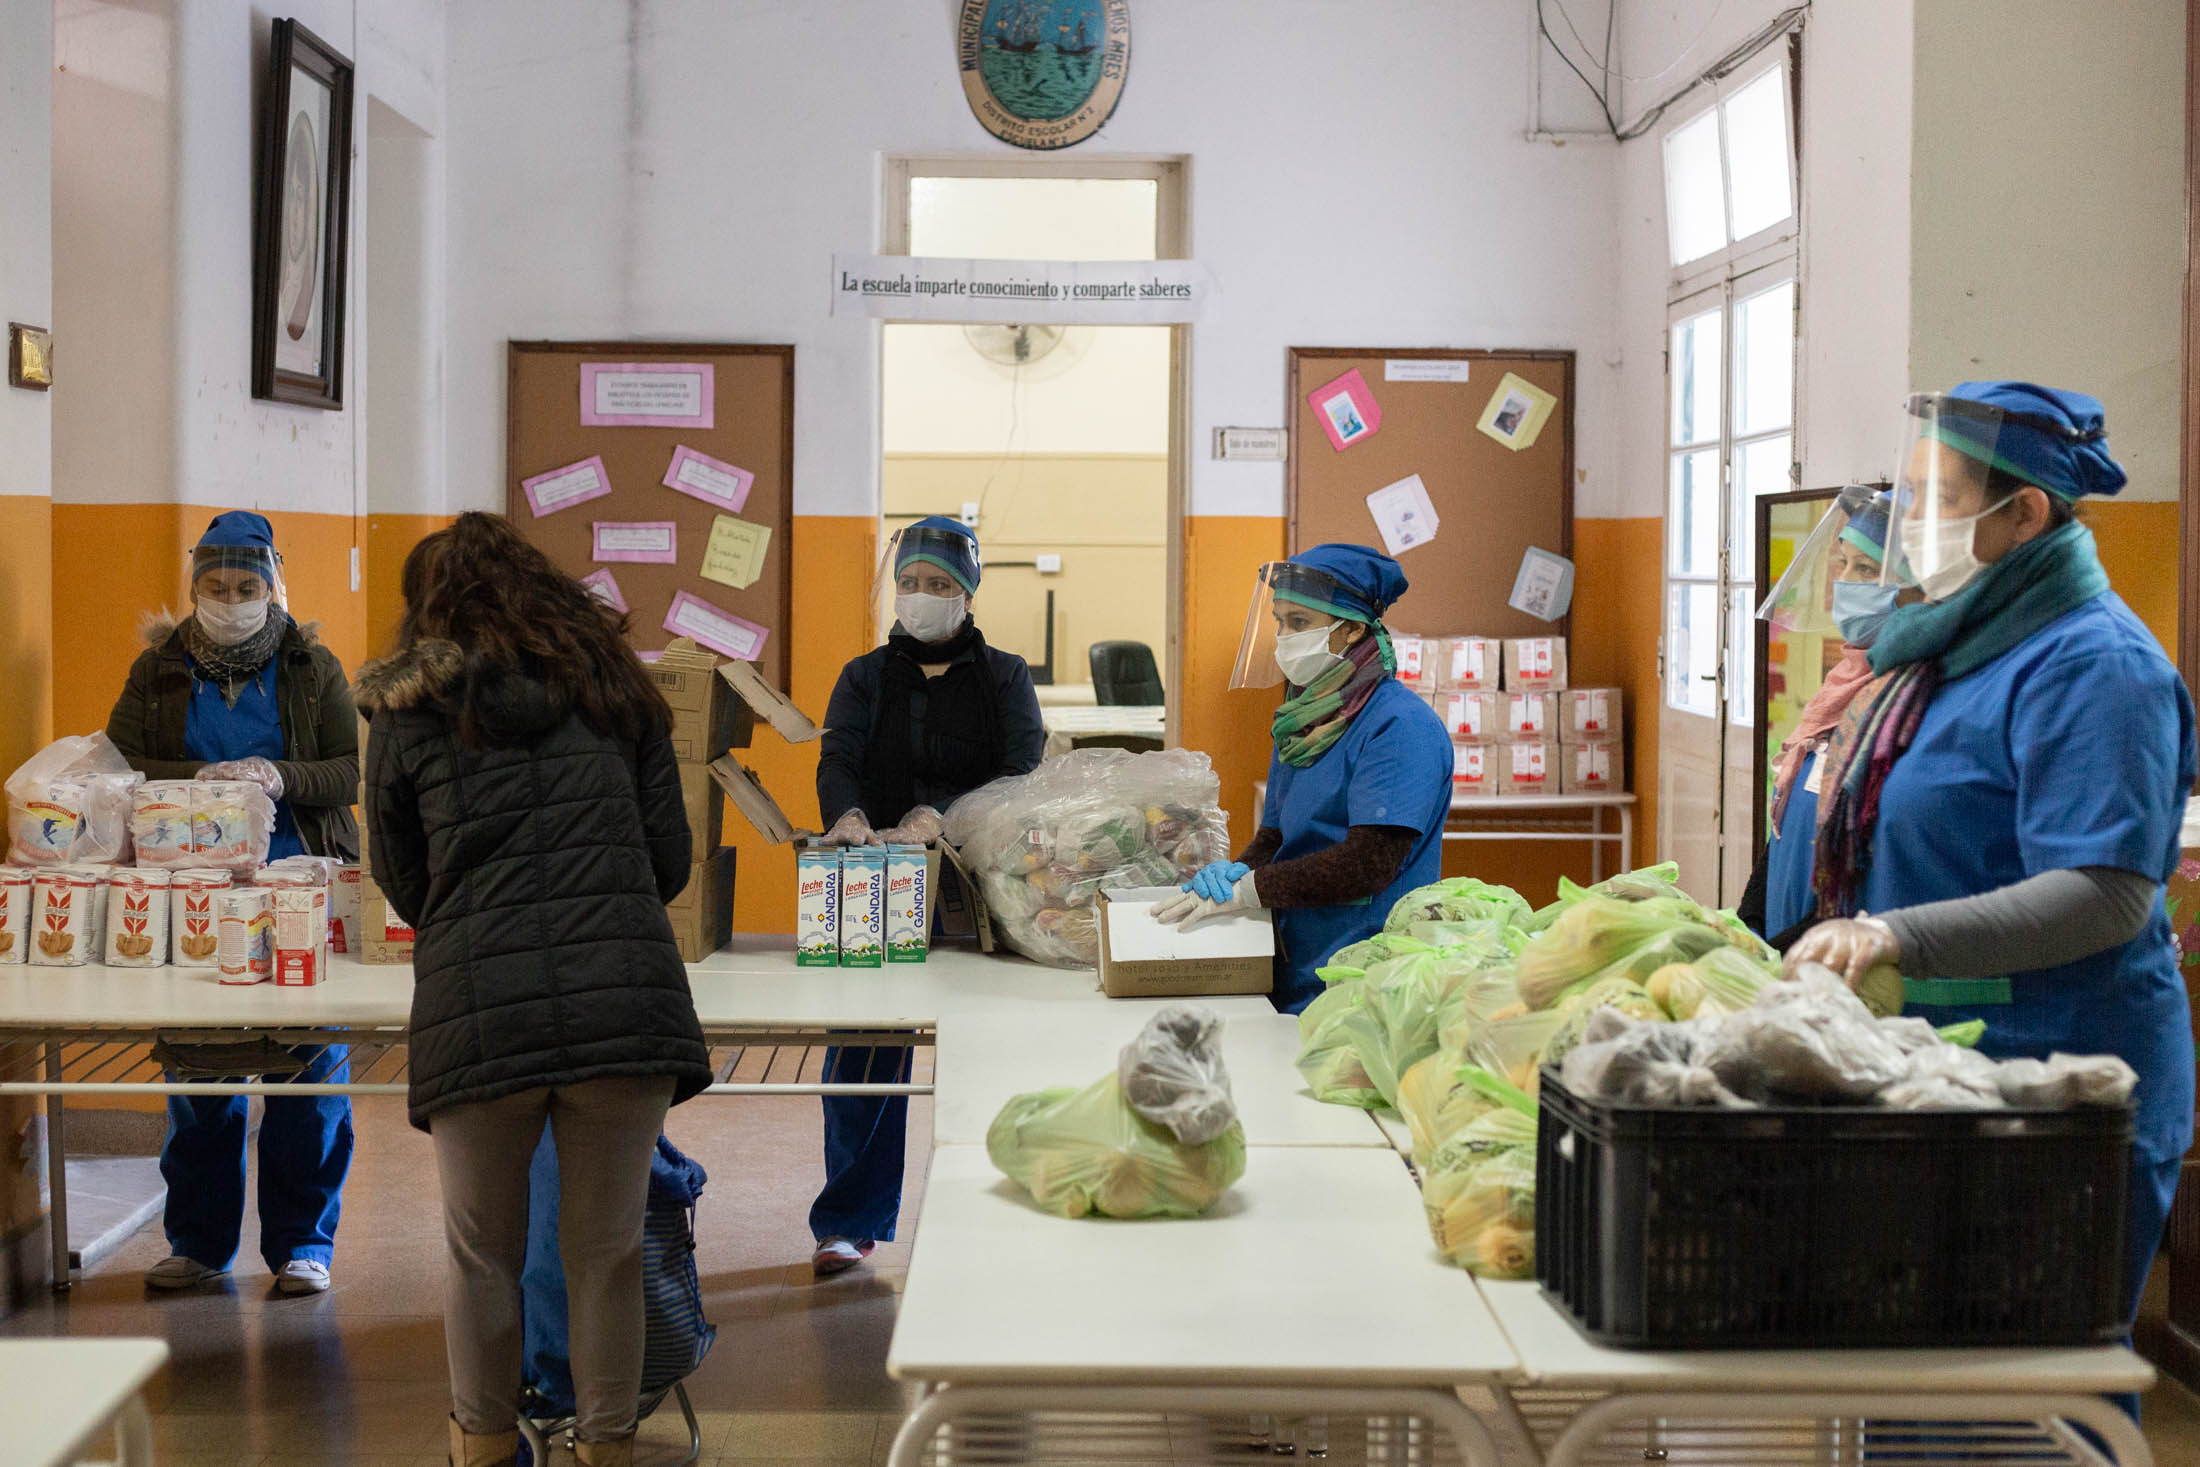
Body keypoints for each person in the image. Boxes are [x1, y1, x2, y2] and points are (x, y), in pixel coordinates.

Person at [1785, 383, 2195, 1420]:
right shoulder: (1951, 645)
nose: (1911, 522)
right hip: (1942, 1069)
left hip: (2055, 1084)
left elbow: (2101, 893)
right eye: (1908, 493)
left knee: (2030, 1409)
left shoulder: (2095, 667)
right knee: (1922, 1398)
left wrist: (1890, 933)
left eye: (1940, 497)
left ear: (2026, 515)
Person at [357, 512, 712, 1467]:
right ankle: (605, 1451)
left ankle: (480, 1450)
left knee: (482, 1257)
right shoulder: (614, 689)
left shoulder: (405, 713)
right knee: (605, 1255)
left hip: (478, 1018)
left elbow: (400, 876)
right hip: (623, 1005)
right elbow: (667, 861)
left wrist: (480, 915)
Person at [105, 510, 359, 1297]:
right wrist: (189, 786)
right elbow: (117, 761)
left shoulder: (312, 668)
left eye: (246, 586)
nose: (230, 598)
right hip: (194, 893)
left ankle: (301, 1243)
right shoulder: (159, 668)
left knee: (306, 1067)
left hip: (299, 888)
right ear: (193, 587)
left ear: (274, 584)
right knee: (198, 1066)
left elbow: (350, 769)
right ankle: (200, 1241)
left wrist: (279, 775)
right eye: (214, 586)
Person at [809, 515, 1044, 1276]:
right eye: (910, 582)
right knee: (863, 1055)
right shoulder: (864, 676)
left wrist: (946, 816)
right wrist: (846, 814)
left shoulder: (1005, 677)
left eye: (939, 585)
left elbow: (1021, 772)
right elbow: (838, 754)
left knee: (982, 1053)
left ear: (969, 596)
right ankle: (850, 1219)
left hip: (982, 892)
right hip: (880, 889)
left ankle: (993, 1215)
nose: (921, 597)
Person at [1158, 544, 1454, 1014]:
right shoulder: (1303, 722)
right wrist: (1239, 869)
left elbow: (1369, 864)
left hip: (1369, 972)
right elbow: (1276, 837)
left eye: (1299, 623)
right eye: (1279, 622)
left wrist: (1250, 890)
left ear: (1353, 629)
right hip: (1296, 964)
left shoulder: (1400, 727)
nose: (1283, 637)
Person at [1739, 489, 1909, 944]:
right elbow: (1788, 819)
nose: (1847, 583)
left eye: (1868, 569)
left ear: (1914, 591)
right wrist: (1747, 923)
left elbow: (1868, 867)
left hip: (1833, 955)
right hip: (1785, 942)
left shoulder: (1909, 702)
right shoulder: (1841, 688)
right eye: (1844, 564)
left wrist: (1783, 951)